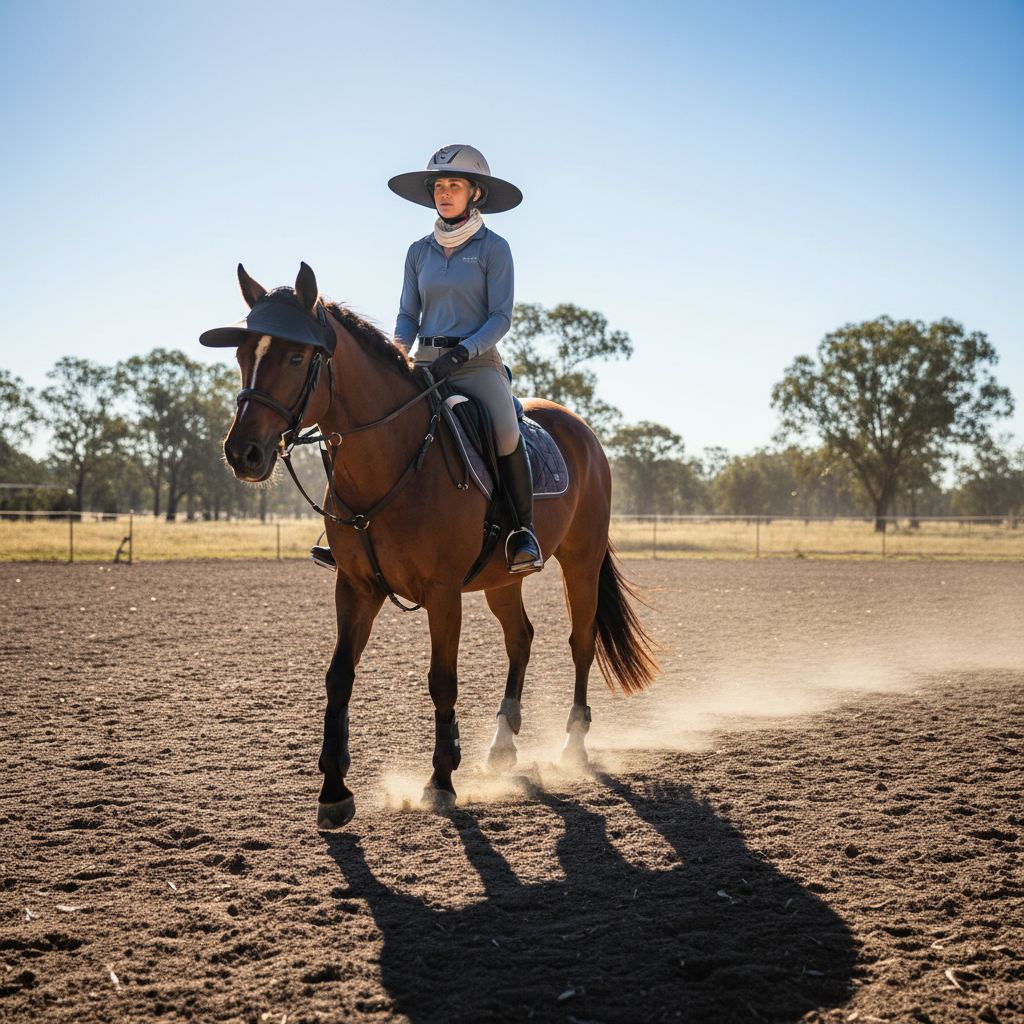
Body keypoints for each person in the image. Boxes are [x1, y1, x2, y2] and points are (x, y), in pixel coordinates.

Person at [386, 144, 543, 574]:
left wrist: (463, 352)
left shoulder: (494, 248)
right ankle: (357, 532)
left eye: (454, 185)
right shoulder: (418, 251)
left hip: (476, 364)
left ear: (476, 193)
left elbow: (501, 317)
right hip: (424, 362)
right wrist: (398, 352)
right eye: (439, 185)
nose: (444, 192)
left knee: (507, 432)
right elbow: (407, 313)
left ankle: (523, 533)